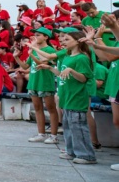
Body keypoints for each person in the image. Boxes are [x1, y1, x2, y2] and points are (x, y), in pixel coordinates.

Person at [39, 29, 97, 164]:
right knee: (68, 127)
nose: (63, 42)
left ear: (77, 41)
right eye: (63, 39)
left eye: (67, 39)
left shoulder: (82, 57)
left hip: (77, 96)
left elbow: (83, 78)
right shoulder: (67, 56)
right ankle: (71, 151)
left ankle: (86, 155)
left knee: (78, 127)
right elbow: (61, 75)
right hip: (67, 96)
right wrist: (50, 69)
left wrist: (71, 70)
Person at [24, 28, 60, 142]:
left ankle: (53, 135)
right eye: (35, 35)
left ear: (46, 37)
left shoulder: (49, 49)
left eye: (38, 35)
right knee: (37, 108)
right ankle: (41, 133)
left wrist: (32, 53)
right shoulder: (34, 49)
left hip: (45, 82)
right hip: (33, 82)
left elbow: (43, 63)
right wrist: (16, 56)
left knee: (51, 108)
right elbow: (25, 66)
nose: (36, 37)